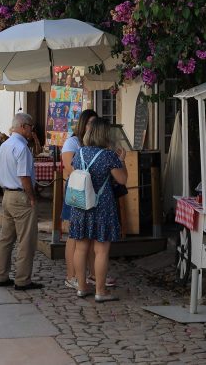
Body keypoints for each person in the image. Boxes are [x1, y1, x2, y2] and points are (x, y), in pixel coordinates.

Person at [69, 118, 127, 302]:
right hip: (102, 207)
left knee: (81, 248)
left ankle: (81, 287)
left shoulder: (79, 153)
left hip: (81, 205)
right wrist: (121, 161)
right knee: (101, 250)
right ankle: (100, 291)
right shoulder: (108, 156)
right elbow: (122, 180)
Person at [0, 112, 43, 291]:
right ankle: (22, 279)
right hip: (20, 196)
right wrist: (31, 197)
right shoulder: (22, 148)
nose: (32, 131)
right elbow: (24, 177)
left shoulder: (5, 145)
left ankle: (1, 275)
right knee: (26, 240)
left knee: (6, 238)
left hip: (7, 195)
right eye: (31, 128)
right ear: (23, 127)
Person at [61, 109, 97, 289]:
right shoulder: (73, 142)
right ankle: (71, 275)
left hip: (91, 191)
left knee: (88, 235)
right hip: (76, 189)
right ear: (83, 124)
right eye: (90, 123)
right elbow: (69, 167)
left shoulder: (93, 142)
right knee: (74, 236)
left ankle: (91, 274)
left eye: (95, 123)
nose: (93, 126)